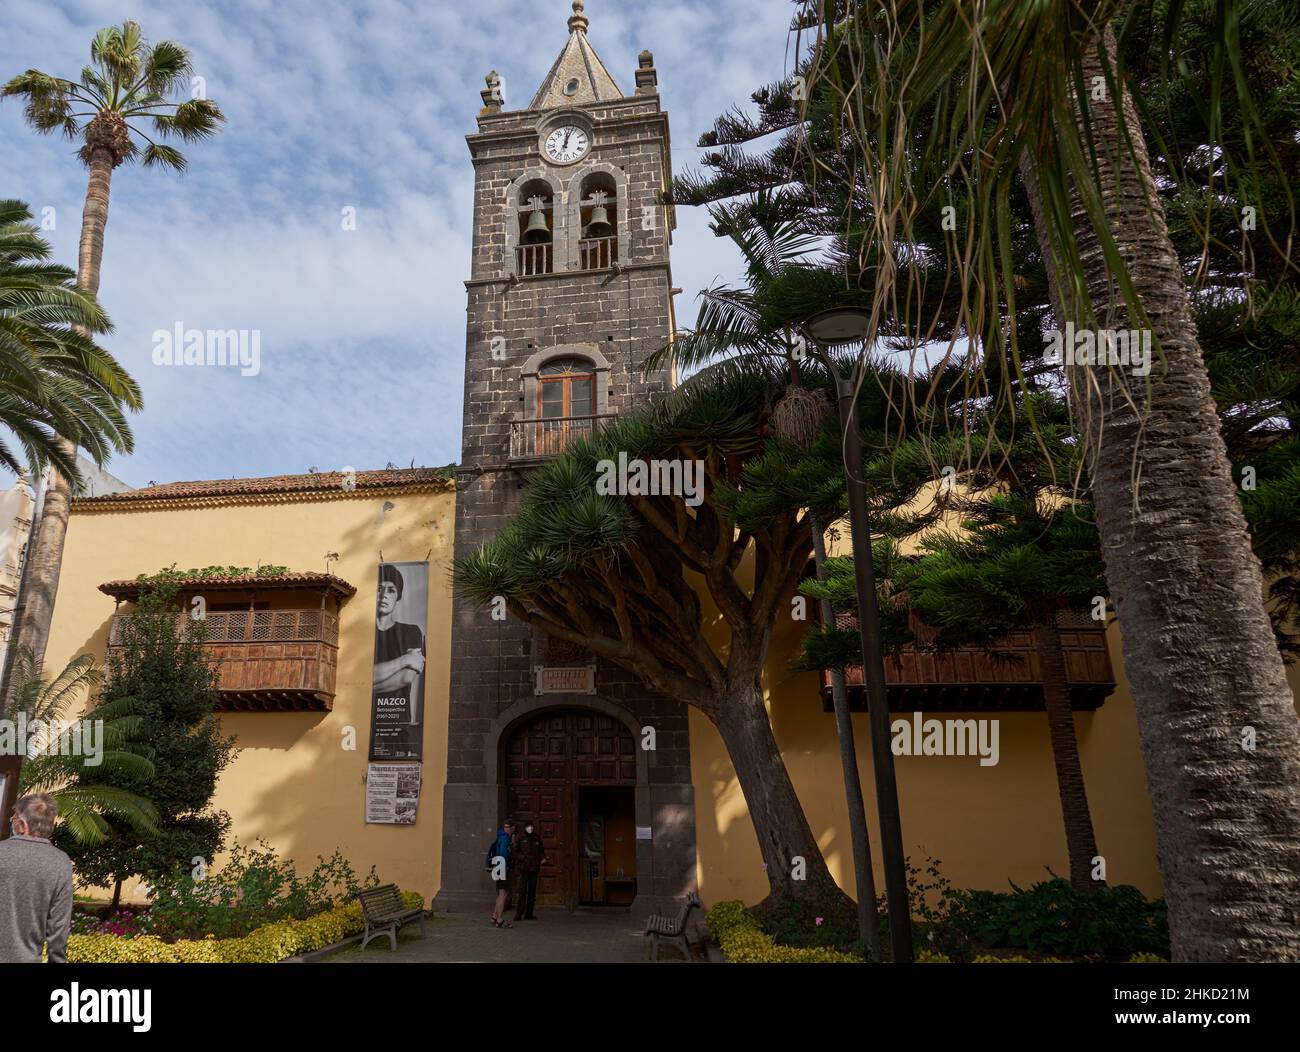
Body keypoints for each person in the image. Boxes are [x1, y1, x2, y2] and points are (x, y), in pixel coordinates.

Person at [0, 793, 73, 963]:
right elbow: (59, 930)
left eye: (15, 818)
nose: (13, 822)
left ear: (23, 825)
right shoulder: (61, 863)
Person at [372, 564, 426, 724]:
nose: (384, 595)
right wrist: (405, 660)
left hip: (398, 722)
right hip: (363, 717)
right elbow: (361, 677)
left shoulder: (411, 632)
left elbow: (405, 678)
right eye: (379, 589)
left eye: (391, 590)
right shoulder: (364, 634)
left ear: (398, 598)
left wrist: (361, 688)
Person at [512, 820, 547, 922]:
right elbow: (515, 851)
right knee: (522, 892)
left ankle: (529, 913)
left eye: (531, 826)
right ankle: (519, 913)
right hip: (524, 869)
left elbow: (541, 850)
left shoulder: (536, 838)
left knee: (532, 892)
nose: (530, 828)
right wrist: (522, 858)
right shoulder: (520, 837)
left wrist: (543, 857)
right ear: (525, 827)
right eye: (528, 826)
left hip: (534, 869)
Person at [488, 818, 515, 928]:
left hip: (497, 867)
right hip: (502, 867)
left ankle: (494, 916)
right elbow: (503, 855)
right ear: (512, 828)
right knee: (503, 895)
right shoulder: (505, 839)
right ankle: (499, 920)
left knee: (500, 893)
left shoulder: (500, 836)